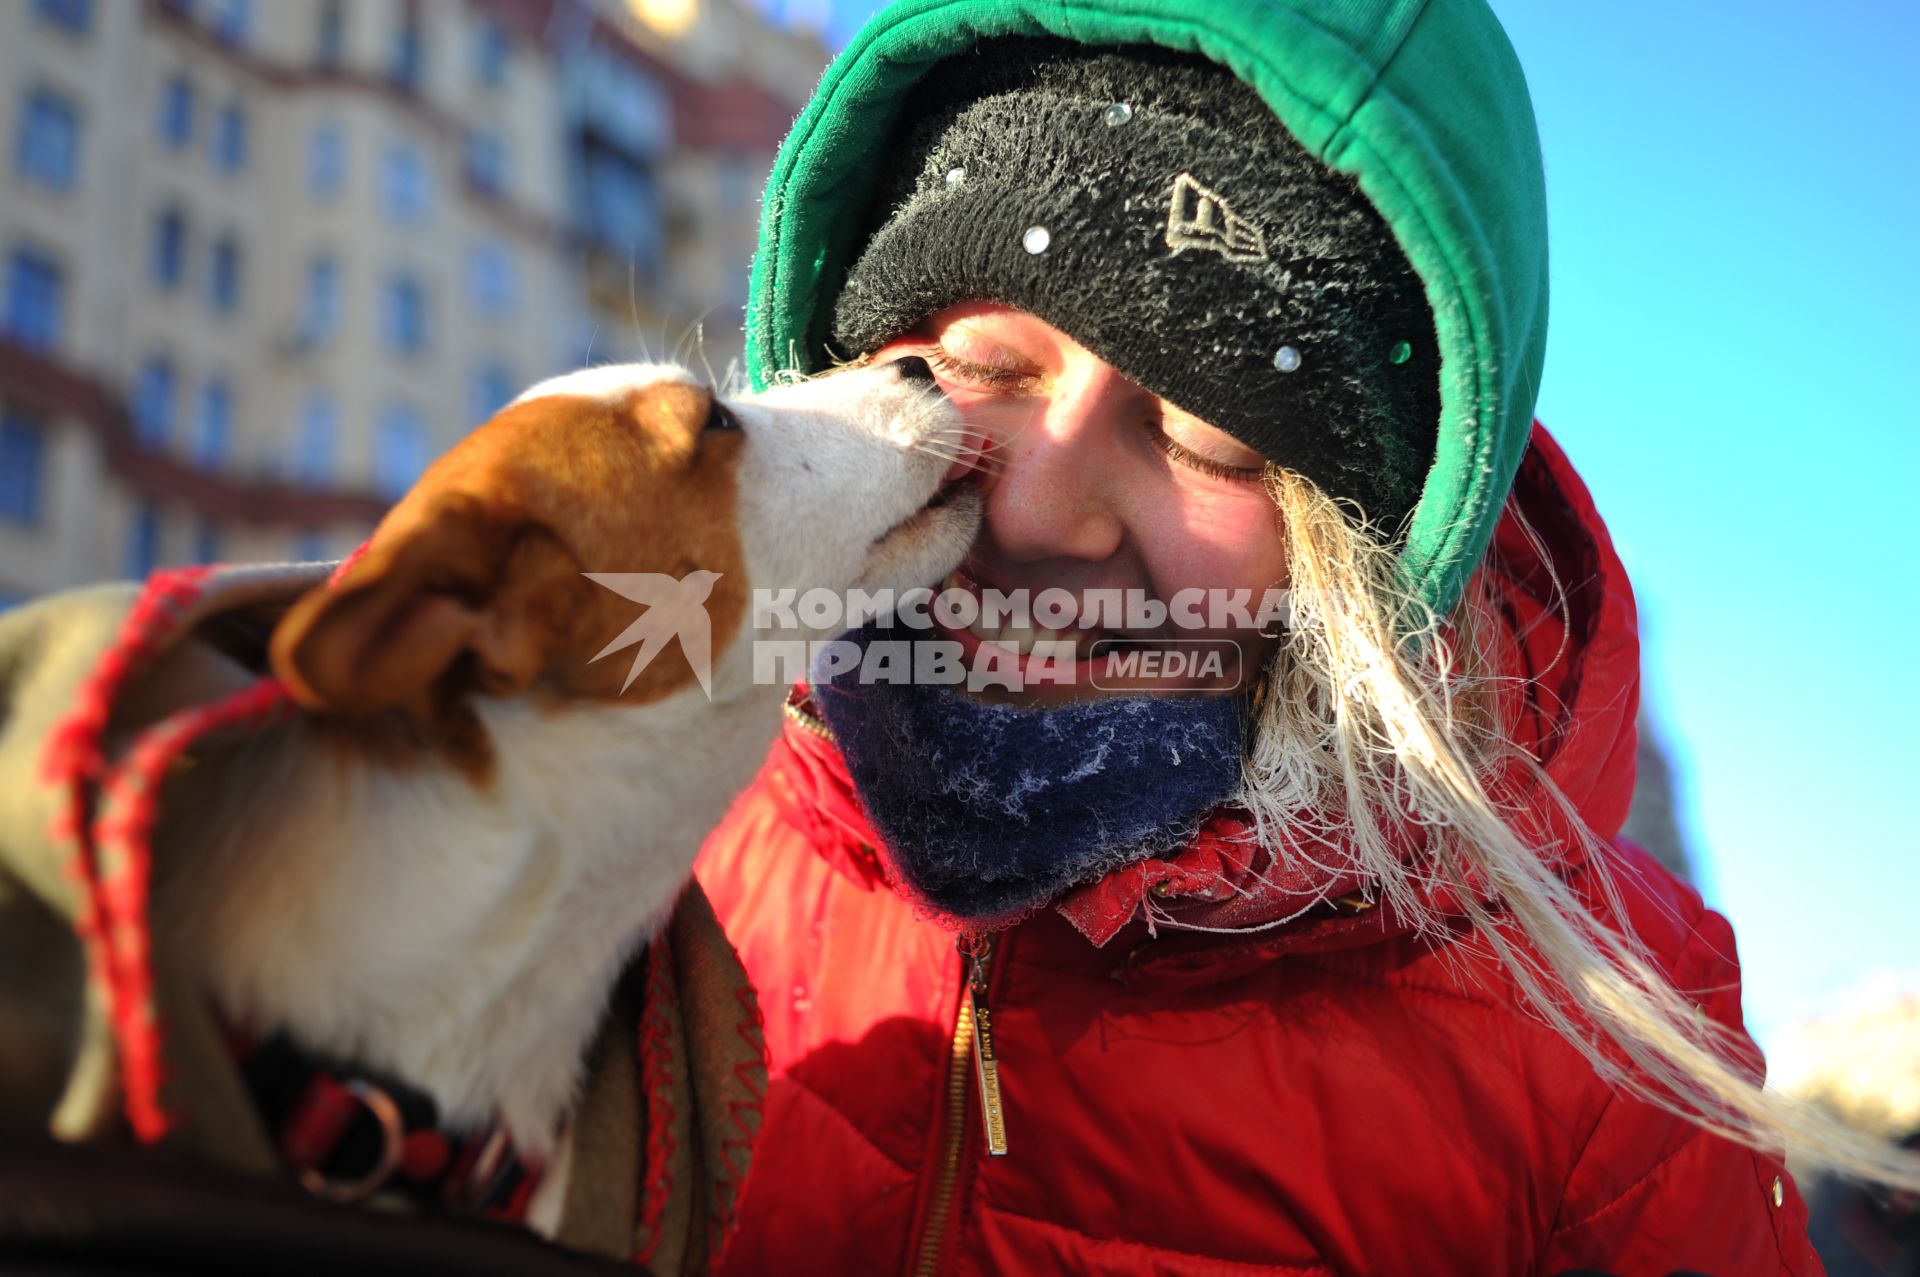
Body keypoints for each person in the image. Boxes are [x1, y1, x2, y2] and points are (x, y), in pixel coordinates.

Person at [695, 2, 1916, 1271]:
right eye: (980, 367)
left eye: (1207, 439)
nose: (1037, 509)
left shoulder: (1603, 1069)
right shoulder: (646, 812)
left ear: (1370, 552)